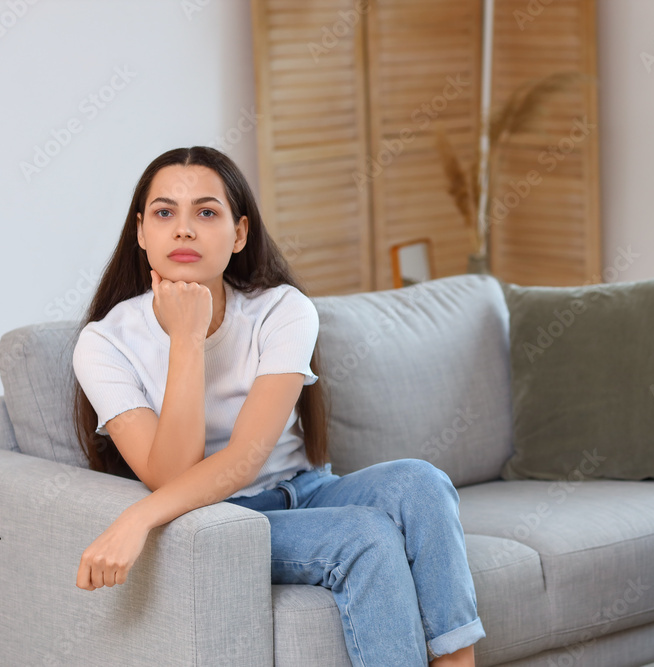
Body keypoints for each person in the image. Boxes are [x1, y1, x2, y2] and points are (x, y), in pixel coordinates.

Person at [69, 146, 485, 666]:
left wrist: (137, 520)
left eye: (206, 212)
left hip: (310, 492)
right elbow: (170, 473)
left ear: (239, 233)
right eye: (164, 212)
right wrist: (187, 340)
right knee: (366, 536)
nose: (183, 229)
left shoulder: (283, 310)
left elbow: (248, 454)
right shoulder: (104, 343)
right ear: (140, 232)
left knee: (422, 482)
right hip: (224, 521)